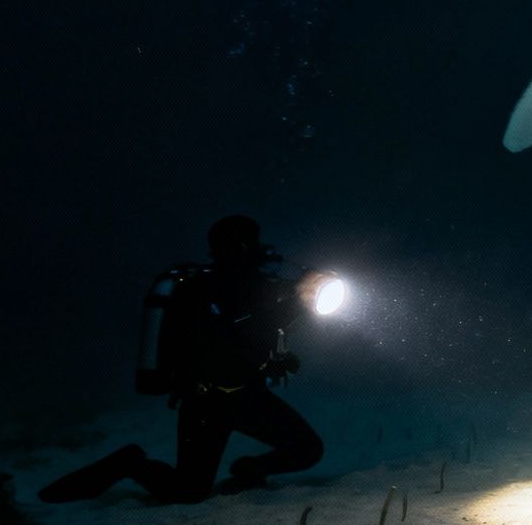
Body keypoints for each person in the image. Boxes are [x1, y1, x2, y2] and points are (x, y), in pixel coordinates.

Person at [38, 215, 325, 504]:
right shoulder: (196, 290)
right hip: (206, 404)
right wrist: (292, 309)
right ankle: (131, 463)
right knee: (188, 491)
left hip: (248, 396)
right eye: (239, 243)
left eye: (251, 240)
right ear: (221, 249)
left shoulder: (263, 286)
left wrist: (310, 290)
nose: (248, 249)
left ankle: (249, 469)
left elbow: (264, 327)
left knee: (307, 450)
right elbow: (229, 337)